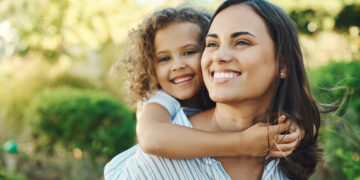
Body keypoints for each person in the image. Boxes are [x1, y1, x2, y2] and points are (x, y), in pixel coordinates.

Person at [105, 1, 308, 179]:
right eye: (213, 44)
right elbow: (151, 138)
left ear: (284, 64)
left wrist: (295, 126)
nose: (219, 56)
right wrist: (242, 143)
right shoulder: (161, 102)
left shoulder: (285, 146)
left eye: (241, 42)